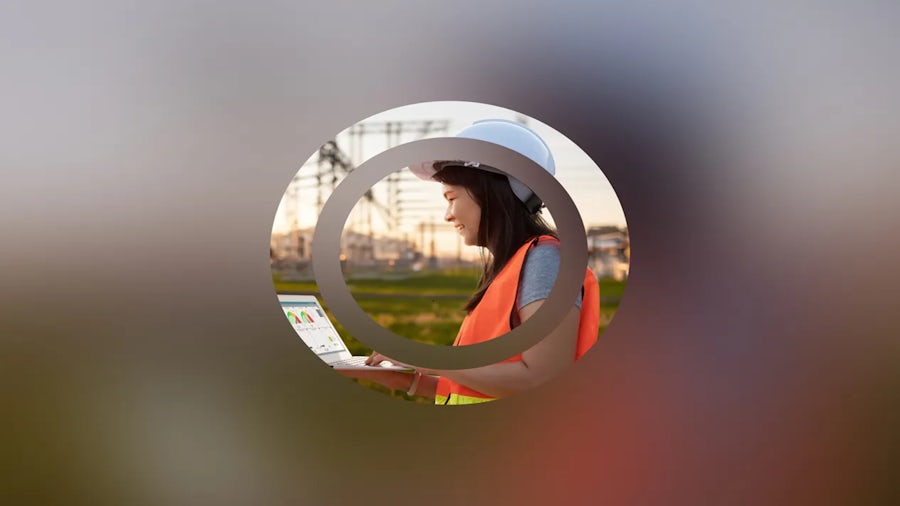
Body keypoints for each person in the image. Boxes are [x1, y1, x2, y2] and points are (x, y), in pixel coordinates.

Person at [340, 119, 600, 405]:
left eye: (452, 198)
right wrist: (400, 378)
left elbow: (540, 378)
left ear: (492, 192)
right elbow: (472, 387)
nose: (448, 215)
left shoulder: (544, 260)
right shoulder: (512, 267)